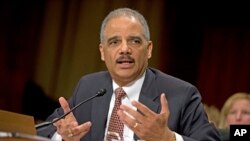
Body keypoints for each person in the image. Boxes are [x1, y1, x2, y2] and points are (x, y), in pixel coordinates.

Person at [37, 7, 220, 141]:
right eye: (114, 42)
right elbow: (43, 130)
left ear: (148, 49)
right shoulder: (89, 86)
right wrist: (60, 137)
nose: (125, 49)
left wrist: (168, 138)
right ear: (102, 52)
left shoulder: (181, 94)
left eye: (134, 41)